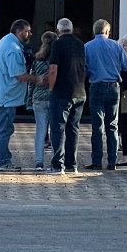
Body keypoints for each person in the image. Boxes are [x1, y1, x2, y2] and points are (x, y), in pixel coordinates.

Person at [0, 20, 44, 172]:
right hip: (6, 97)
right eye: (27, 31)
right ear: (18, 31)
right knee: (4, 129)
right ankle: (3, 161)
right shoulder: (13, 49)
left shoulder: (5, 40)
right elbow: (18, 75)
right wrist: (37, 79)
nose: (30, 33)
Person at [84, 19, 127, 170]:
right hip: (113, 87)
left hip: (96, 86)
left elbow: (84, 70)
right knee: (112, 125)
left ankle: (97, 161)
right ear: (107, 31)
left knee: (97, 126)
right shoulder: (116, 45)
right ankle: (112, 161)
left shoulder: (87, 47)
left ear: (95, 31)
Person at [47, 18, 86, 174]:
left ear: (58, 31)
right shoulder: (80, 44)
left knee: (57, 128)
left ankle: (57, 165)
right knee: (73, 129)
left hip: (62, 91)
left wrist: (51, 88)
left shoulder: (57, 43)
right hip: (79, 90)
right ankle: (72, 164)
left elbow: (53, 69)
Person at [27, 31, 57, 171]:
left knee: (40, 130)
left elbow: (31, 82)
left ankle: (39, 162)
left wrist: (29, 99)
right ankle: (54, 160)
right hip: (54, 97)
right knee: (56, 131)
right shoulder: (57, 60)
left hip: (38, 98)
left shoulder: (37, 60)